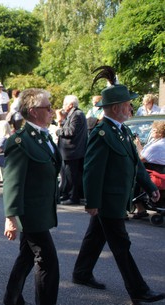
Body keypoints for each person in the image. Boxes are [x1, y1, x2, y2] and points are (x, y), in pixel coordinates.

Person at [72, 66, 165, 304]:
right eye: (127, 104)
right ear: (116, 108)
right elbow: (92, 171)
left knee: (96, 236)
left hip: (115, 198)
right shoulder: (103, 133)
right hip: (107, 201)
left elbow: (135, 165)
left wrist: (151, 187)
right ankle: (139, 290)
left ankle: (81, 273)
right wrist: (92, 202)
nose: (131, 108)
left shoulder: (122, 131)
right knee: (121, 245)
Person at [2, 88, 62, 305]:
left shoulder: (43, 137)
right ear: (33, 111)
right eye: (47, 107)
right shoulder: (21, 141)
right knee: (48, 263)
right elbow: (13, 181)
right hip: (31, 214)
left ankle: (12, 299)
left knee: (26, 259)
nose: (52, 111)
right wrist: (11, 217)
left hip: (41, 210)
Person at [56, 95, 88, 205]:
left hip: (73, 152)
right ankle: (66, 195)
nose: (63, 106)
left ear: (71, 105)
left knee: (72, 176)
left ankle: (73, 197)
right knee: (67, 175)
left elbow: (71, 131)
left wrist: (58, 131)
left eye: (65, 104)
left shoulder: (77, 114)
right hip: (69, 151)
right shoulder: (73, 114)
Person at [132, 120, 165, 218]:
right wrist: (138, 144)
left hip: (154, 173)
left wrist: (137, 146)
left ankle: (140, 208)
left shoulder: (157, 146)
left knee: (133, 177)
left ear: (160, 132)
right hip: (158, 171)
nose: (151, 132)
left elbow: (140, 159)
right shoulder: (158, 142)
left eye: (153, 130)